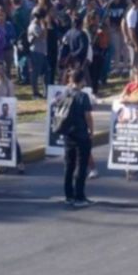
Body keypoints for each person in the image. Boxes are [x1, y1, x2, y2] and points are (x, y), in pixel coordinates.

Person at [58, 68, 95, 207]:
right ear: (82, 80)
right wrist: (92, 131)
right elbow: (88, 116)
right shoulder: (83, 96)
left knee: (69, 165)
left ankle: (69, 195)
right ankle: (80, 196)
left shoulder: (65, 93)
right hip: (81, 134)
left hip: (68, 134)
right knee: (81, 165)